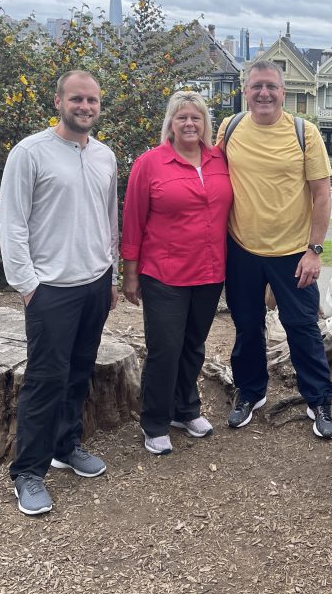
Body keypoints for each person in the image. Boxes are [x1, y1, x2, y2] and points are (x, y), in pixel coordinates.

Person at [0, 70, 119, 516]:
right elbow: (12, 223)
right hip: (50, 289)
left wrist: (108, 277)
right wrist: (28, 286)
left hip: (93, 284)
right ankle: (28, 472)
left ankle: (66, 447)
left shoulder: (105, 156)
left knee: (79, 372)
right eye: (76, 99)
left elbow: (109, 221)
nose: (84, 107)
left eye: (92, 100)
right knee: (45, 381)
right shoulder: (30, 153)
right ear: (58, 102)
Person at [215, 60, 332, 438]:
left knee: (302, 329)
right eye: (256, 87)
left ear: (283, 92)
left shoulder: (305, 132)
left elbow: (321, 194)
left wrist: (315, 250)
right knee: (247, 327)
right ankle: (250, 392)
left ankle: (318, 398)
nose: (263, 93)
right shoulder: (230, 127)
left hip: (292, 253)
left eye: (271, 86)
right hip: (242, 249)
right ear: (245, 91)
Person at [121, 91, 233, 456]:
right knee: (165, 349)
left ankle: (186, 409)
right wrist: (130, 273)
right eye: (181, 117)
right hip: (164, 274)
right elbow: (133, 220)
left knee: (193, 346)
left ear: (205, 124)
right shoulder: (150, 163)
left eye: (196, 118)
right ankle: (154, 420)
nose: (189, 124)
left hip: (209, 271)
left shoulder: (219, 160)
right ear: (170, 122)